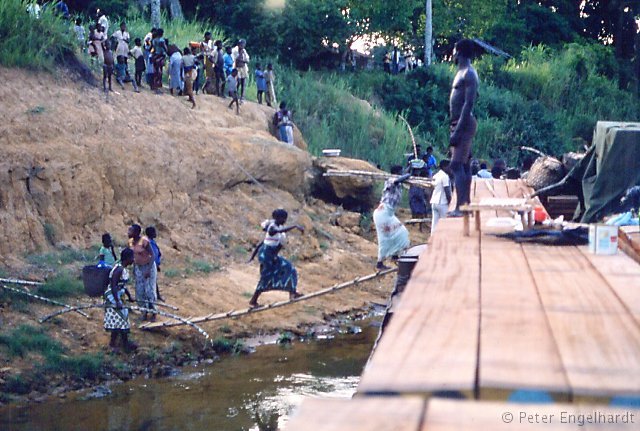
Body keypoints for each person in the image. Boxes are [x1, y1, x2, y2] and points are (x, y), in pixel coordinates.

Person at [248, 209, 304, 307]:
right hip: (266, 255)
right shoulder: (272, 228)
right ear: (277, 218)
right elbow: (266, 241)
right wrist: (294, 226)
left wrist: (253, 257)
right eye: (283, 218)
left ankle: (292, 292)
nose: (285, 220)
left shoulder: (278, 228)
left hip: (271, 255)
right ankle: (253, 301)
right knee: (266, 277)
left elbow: (264, 243)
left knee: (290, 269)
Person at [448, 39, 479, 217]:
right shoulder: (461, 72)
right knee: (464, 165)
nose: (452, 54)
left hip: (464, 123)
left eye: (454, 51)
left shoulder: (469, 74)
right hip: (458, 122)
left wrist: (458, 130)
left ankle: (461, 207)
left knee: (456, 164)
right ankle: (465, 205)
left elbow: (469, 104)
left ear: (459, 52)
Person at [373, 166, 411, 270]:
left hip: (388, 214)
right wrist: (408, 175)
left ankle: (395, 255)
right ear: (397, 172)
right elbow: (398, 179)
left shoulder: (398, 182)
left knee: (401, 232)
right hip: (383, 213)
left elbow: (401, 178)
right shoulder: (390, 179)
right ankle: (380, 263)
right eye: (401, 171)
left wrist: (410, 169)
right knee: (384, 239)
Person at [104, 248, 137, 352]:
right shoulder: (118, 269)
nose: (133, 259)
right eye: (132, 257)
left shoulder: (123, 268)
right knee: (117, 321)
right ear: (127, 258)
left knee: (123, 320)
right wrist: (117, 301)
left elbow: (122, 285)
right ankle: (112, 344)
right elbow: (113, 285)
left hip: (119, 296)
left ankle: (125, 343)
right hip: (113, 297)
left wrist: (129, 296)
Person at [127, 224, 157, 321]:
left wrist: (148, 269)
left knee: (149, 291)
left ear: (136, 232)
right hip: (138, 267)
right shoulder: (130, 242)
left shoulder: (144, 241)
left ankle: (153, 313)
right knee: (139, 291)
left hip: (149, 266)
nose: (128, 232)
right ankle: (144, 312)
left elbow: (152, 255)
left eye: (130, 230)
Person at [430, 160, 452, 234]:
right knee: (446, 223)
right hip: (442, 202)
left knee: (434, 224)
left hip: (434, 202)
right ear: (444, 167)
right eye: (449, 166)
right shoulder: (445, 176)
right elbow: (447, 191)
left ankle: (433, 240)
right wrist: (450, 203)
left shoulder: (435, 175)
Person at [145, 226, 164, 302]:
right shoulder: (149, 243)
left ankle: (156, 296)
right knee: (151, 282)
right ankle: (152, 298)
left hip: (154, 265)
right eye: (154, 232)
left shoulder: (152, 242)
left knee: (154, 281)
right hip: (151, 265)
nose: (156, 233)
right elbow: (152, 255)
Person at [151, 29, 168, 93]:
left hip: (155, 55)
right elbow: (165, 49)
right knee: (160, 70)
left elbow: (153, 49)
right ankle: (158, 84)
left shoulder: (154, 40)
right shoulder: (162, 40)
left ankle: (154, 84)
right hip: (161, 56)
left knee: (155, 70)